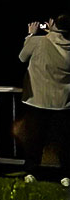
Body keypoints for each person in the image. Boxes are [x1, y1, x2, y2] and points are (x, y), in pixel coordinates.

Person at [17, 12, 70, 187]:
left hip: (37, 100)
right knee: (61, 140)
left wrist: (31, 34)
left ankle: (32, 171)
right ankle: (64, 174)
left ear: (52, 22)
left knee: (34, 139)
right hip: (63, 101)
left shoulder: (38, 42)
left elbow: (22, 57)